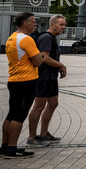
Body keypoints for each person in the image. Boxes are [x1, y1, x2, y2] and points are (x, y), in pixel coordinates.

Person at [4, 12, 42, 158]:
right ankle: (12, 149)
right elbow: (38, 61)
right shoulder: (26, 39)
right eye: (33, 21)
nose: (35, 24)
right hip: (26, 80)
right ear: (25, 23)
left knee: (11, 114)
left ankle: (5, 146)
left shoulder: (11, 38)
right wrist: (40, 57)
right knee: (19, 115)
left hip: (14, 79)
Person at [27, 14, 67, 146]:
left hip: (50, 77)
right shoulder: (46, 38)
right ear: (52, 25)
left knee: (53, 103)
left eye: (64, 24)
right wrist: (61, 65)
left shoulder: (52, 38)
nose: (63, 27)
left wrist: (58, 66)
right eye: (61, 24)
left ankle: (44, 134)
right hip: (43, 77)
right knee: (38, 106)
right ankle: (32, 137)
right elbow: (44, 58)